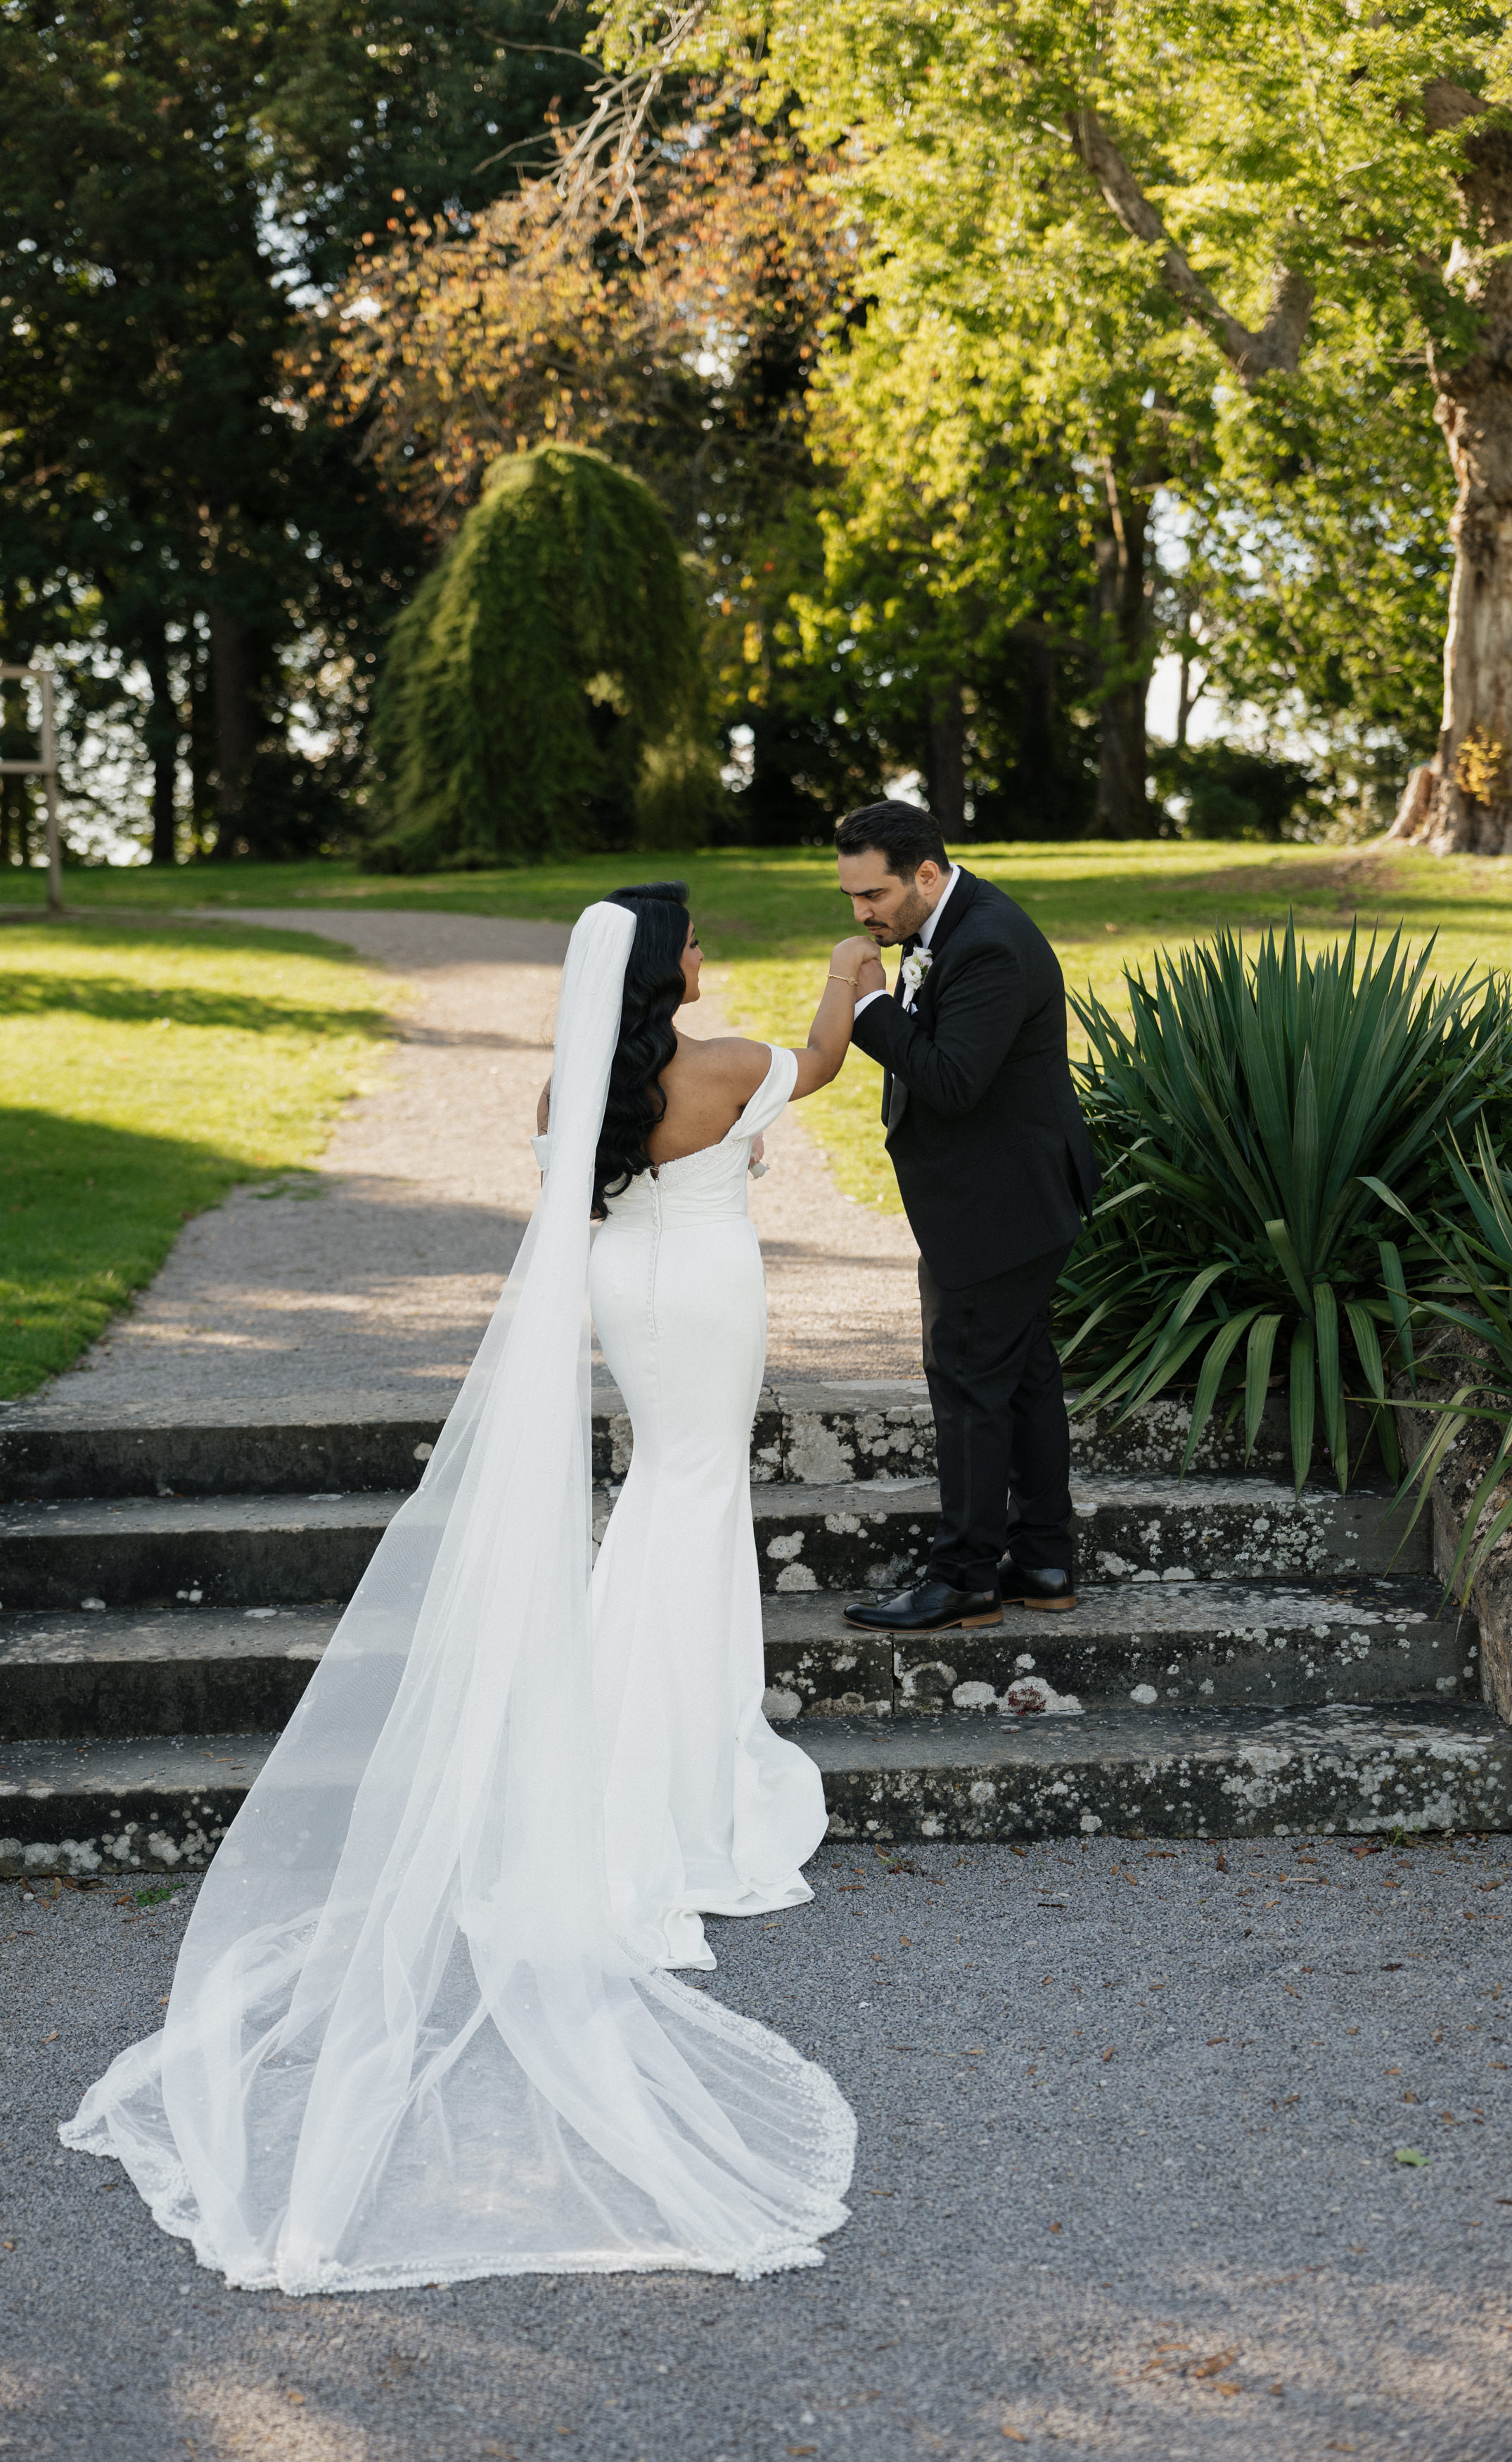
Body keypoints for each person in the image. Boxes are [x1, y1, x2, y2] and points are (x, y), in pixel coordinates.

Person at [60, 884, 867, 2295]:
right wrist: (846, 973)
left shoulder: (573, 1083)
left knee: (657, 1501)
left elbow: (570, 1165)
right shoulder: (732, 1064)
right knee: (695, 1492)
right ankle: (682, 1778)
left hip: (627, 1286)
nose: (697, 953)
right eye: (686, 938)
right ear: (664, 970)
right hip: (714, 1285)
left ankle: (636, 1752)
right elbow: (824, 1068)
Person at [830, 803, 1101, 1636]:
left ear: (924, 872)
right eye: (850, 897)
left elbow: (950, 1080)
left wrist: (868, 1004)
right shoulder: (949, 922)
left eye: (872, 894)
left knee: (967, 1377)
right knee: (1019, 1375)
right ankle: (1043, 1559)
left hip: (1003, 1204)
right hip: (1005, 1194)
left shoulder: (986, 940)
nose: (861, 914)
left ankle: (964, 1579)